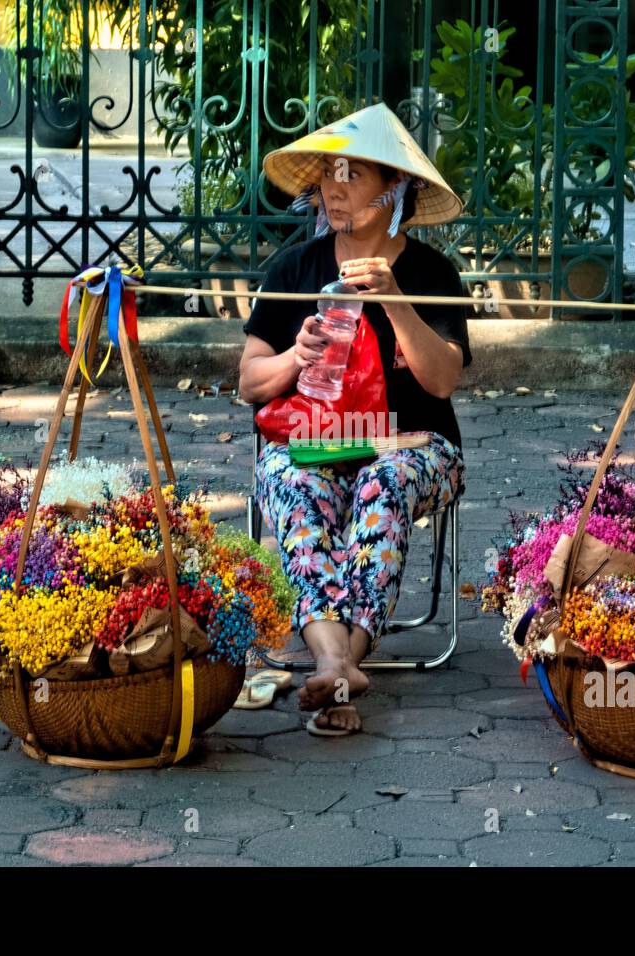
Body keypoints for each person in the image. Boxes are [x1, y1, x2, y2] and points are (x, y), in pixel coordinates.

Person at [238, 103, 471, 736]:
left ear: (394, 188)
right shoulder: (294, 270)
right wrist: (295, 356)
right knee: (288, 479)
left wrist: (396, 301)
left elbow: (444, 380)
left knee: (383, 483)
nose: (334, 188)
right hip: (317, 444)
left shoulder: (430, 274)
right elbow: (249, 382)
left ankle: (338, 659)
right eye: (329, 175)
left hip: (415, 448)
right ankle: (337, 667)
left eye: (353, 175)